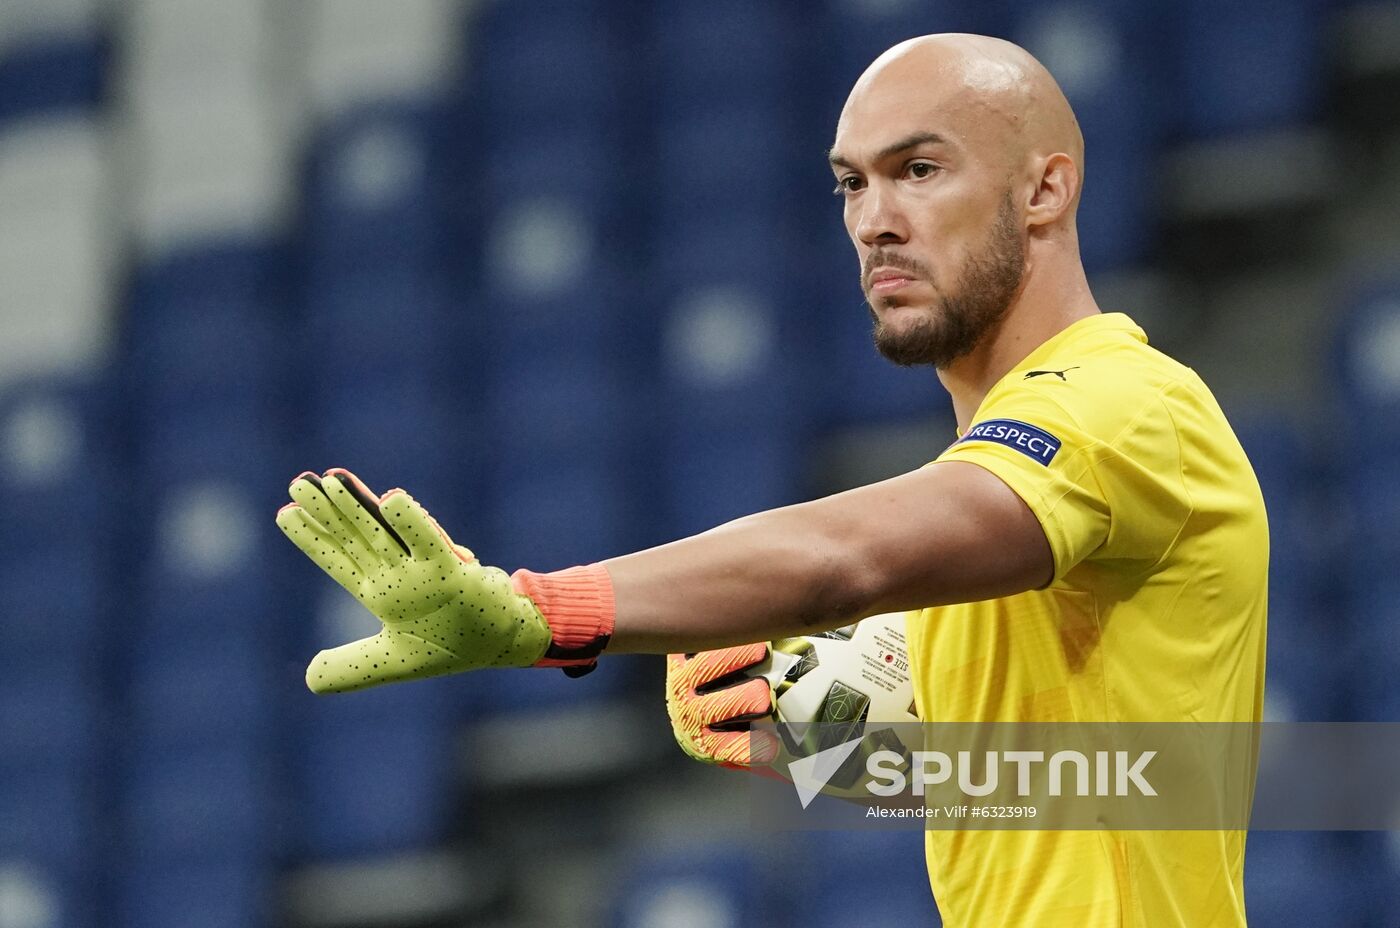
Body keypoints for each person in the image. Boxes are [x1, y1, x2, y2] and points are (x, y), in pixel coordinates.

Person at [277, 34, 1267, 928]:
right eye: (850, 184)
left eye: (918, 170)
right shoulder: (1010, 500)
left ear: (1043, 189)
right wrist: (825, 746)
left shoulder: (1121, 405)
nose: (875, 220)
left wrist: (541, 612)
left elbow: (848, 559)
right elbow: (1078, 788)